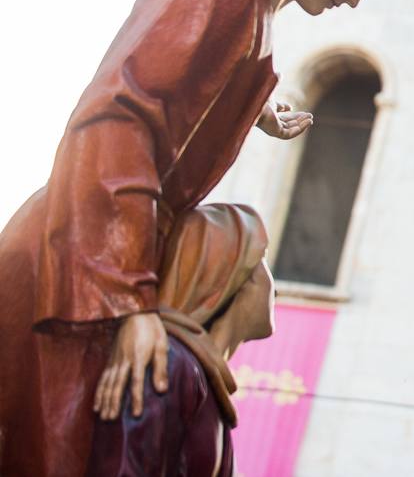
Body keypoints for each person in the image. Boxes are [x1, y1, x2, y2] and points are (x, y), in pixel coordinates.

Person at [0, 0, 414, 476]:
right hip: (81, 261)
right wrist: (134, 304)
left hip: (107, 264)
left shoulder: (253, 10)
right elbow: (120, 124)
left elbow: (183, 96)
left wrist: (253, 107)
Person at [87, 203, 275, 476]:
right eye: (262, 259)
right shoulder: (167, 362)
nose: (274, 286)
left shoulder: (206, 383)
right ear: (228, 280)